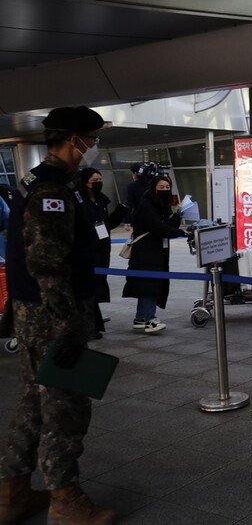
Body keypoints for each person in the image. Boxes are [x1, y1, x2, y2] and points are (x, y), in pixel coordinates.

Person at [0, 106, 117, 524]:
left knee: (32, 403)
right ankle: (65, 500)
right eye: (91, 140)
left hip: (33, 315)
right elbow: (47, 264)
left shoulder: (38, 180)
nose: (92, 148)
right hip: (53, 318)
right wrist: (68, 329)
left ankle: (11, 494)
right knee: (65, 408)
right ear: (73, 141)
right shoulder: (52, 190)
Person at [122, 174, 188, 334]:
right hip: (146, 252)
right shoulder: (148, 205)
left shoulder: (159, 205)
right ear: (154, 188)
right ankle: (149, 319)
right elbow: (158, 228)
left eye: (167, 187)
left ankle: (140, 318)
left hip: (155, 251)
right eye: (161, 187)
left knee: (149, 284)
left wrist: (178, 216)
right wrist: (181, 233)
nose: (165, 190)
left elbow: (165, 226)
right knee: (150, 284)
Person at [79, 167, 127, 338]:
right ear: (85, 182)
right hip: (86, 249)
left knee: (98, 283)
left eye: (100, 179)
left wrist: (120, 212)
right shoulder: (79, 201)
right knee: (88, 285)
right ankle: (89, 324)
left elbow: (106, 225)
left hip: (102, 249)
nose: (99, 182)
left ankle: (94, 319)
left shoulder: (101, 201)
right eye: (95, 180)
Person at [123, 162, 146, 230]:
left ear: (135, 173)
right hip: (154, 218)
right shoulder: (152, 184)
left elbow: (129, 204)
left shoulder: (132, 186)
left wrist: (127, 220)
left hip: (139, 219)